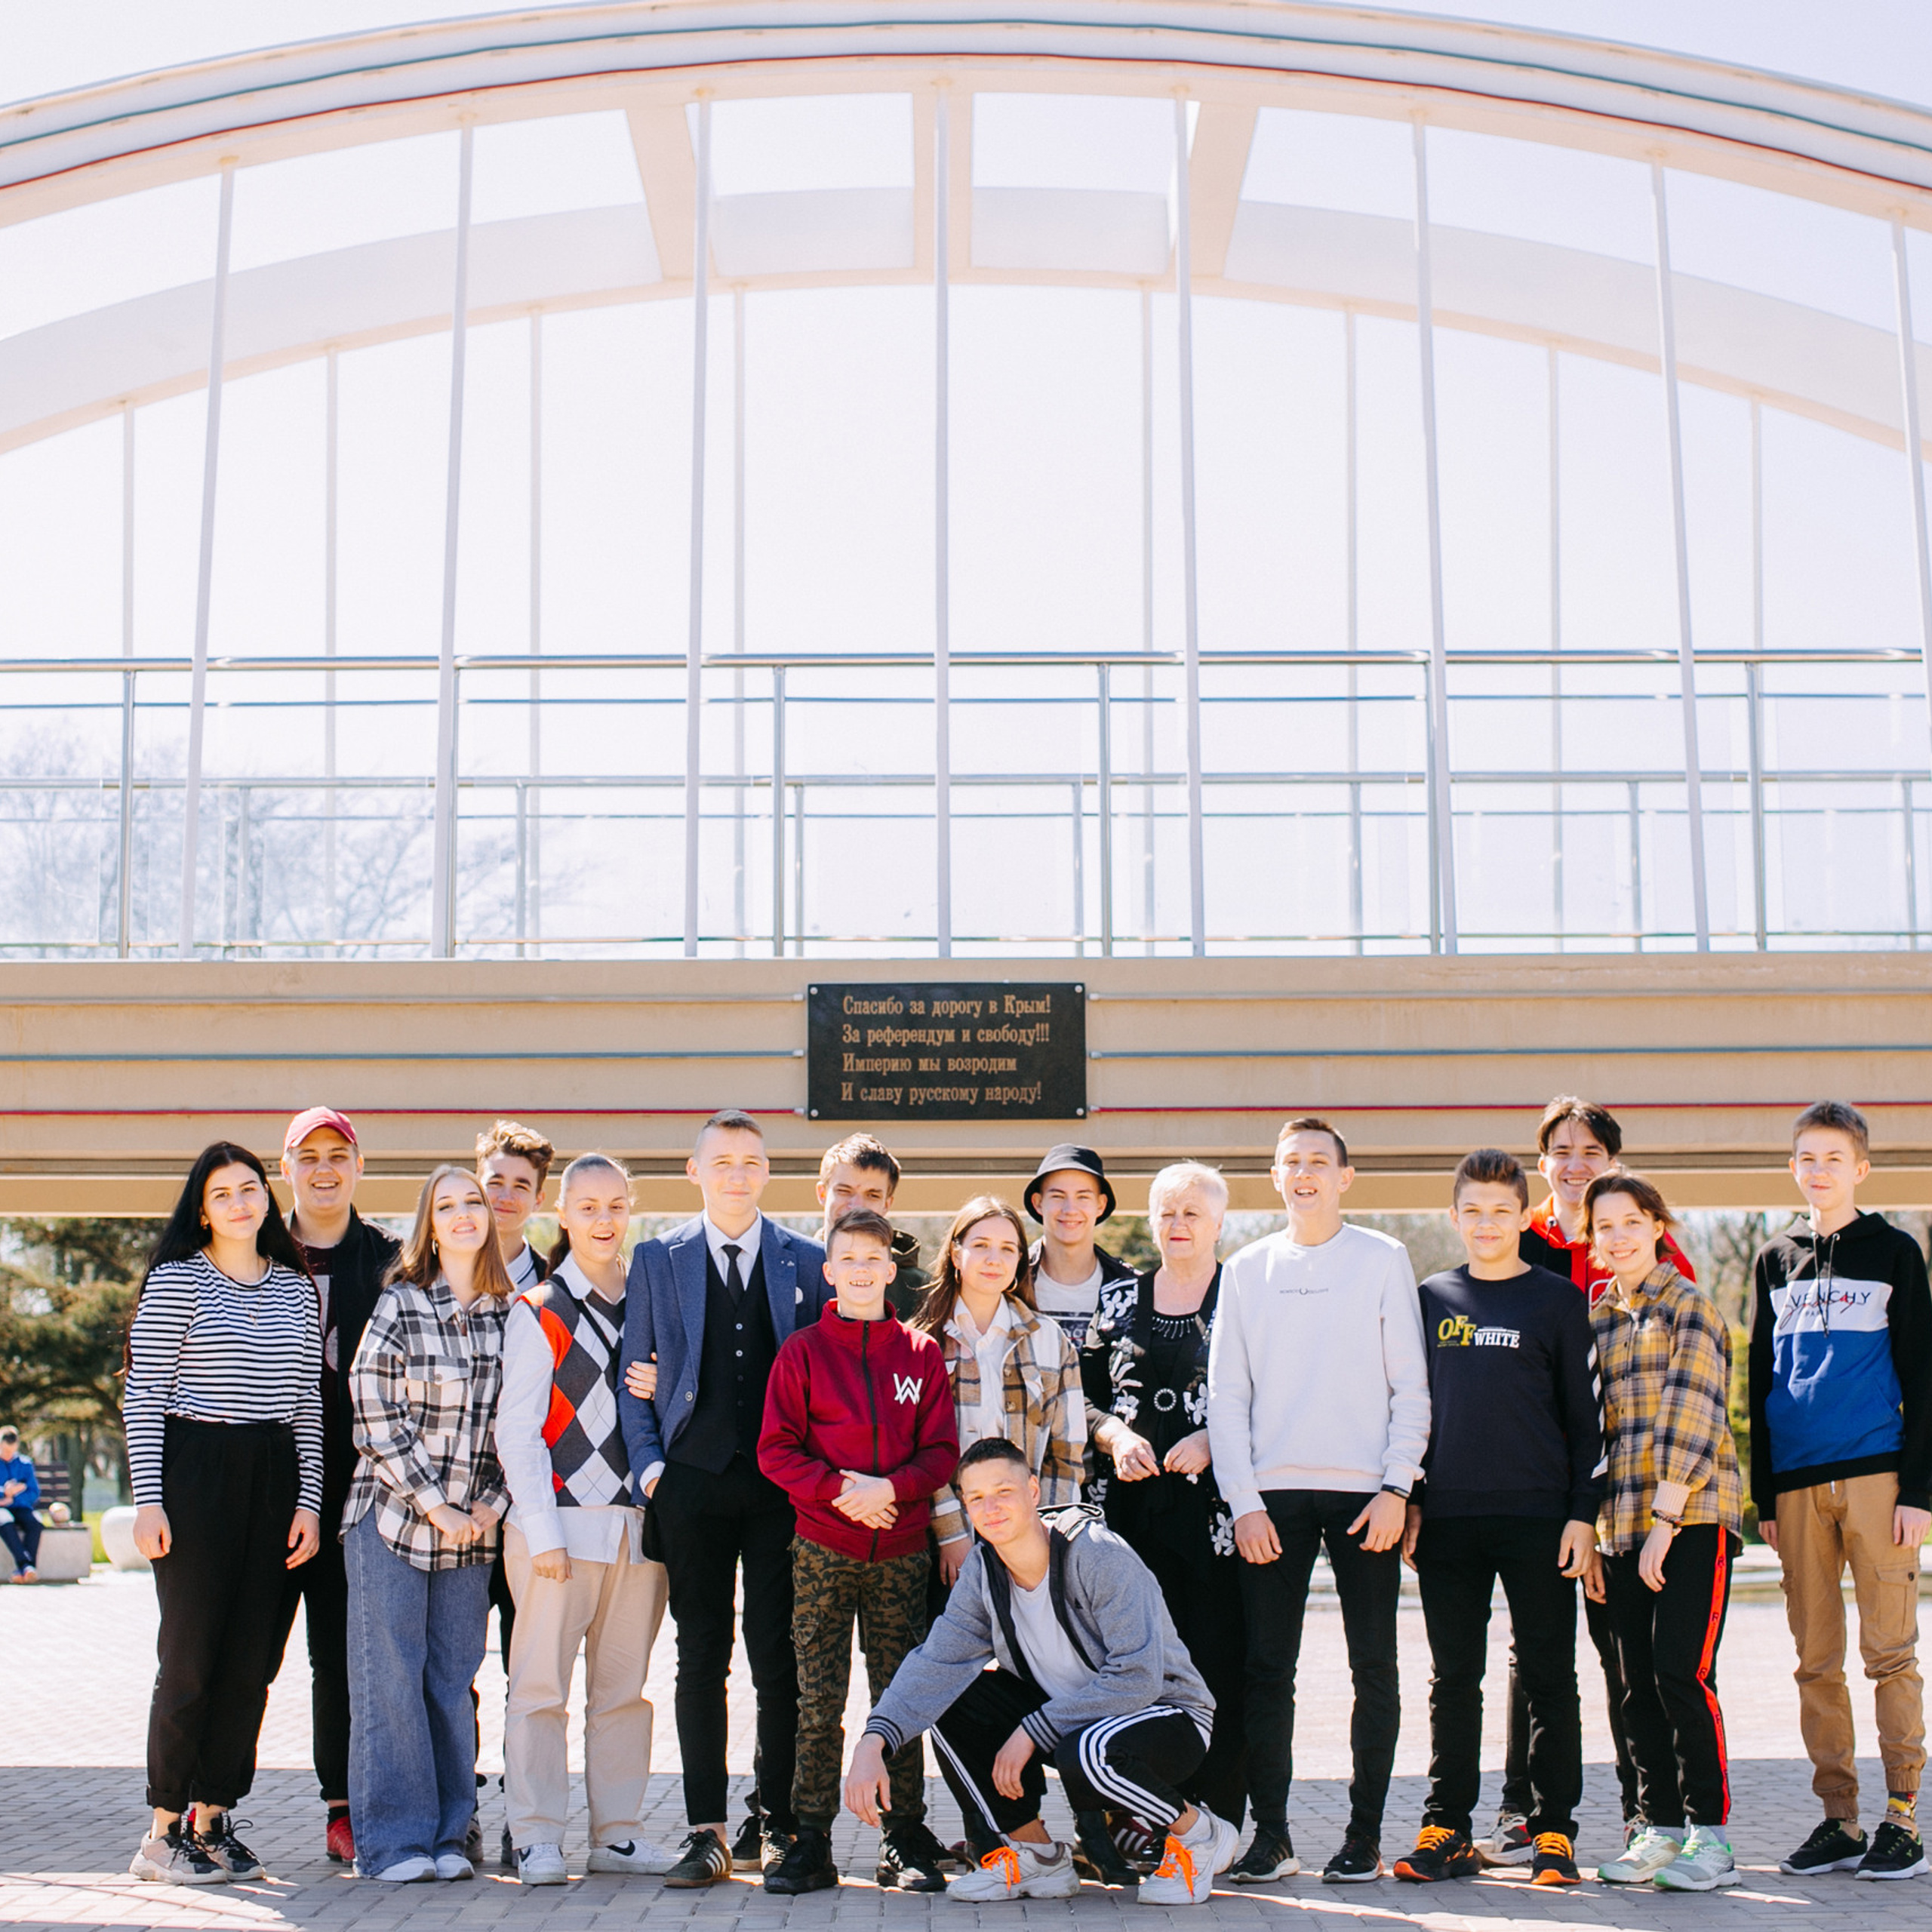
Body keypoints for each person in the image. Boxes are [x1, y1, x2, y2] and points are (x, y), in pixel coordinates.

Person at [845, 1437, 1233, 1906]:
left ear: (1033, 1490)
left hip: (1166, 1717)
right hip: (1073, 1725)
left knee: (1088, 1751)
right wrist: (873, 1741)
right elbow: (938, 1663)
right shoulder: (984, 1570)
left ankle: (1199, 1835)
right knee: (953, 1703)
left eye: (1003, 1491)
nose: (991, 1508)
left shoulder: (1097, 1554)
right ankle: (1037, 1856)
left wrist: (1034, 1729)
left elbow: (1137, 1676)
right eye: (976, 1498)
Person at [1206, 1116, 1429, 1885]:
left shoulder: (1382, 1257)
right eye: (1290, 1162)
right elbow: (1226, 1396)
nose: (1303, 1173)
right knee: (1267, 1670)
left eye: (1317, 1161)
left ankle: (1363, 1837)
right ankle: (1271, 1835)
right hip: (1271, 1499)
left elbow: (1411, 1386)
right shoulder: (1246, 1268)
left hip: (1365, 1496)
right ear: (1275, 1177)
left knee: (1375, 1667)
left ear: (1344, 1176)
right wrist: (1243, 1500)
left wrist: (1397, 1485)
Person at [619, 1110, 831, 1886]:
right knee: (700, 1656)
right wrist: (652, 1471)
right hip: (691, 1484)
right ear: (695, 1170)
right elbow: (633, 1374)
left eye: (750, 1162)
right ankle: (705, 1829)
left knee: (778, 1658)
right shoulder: (656, 1258)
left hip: (780, 1490)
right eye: (722, 1161)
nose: (737, 1175)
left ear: (767, 1171)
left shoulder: (807, 1259)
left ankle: (776, 1824)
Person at [1491, 1094, 1693, 1860]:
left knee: (1625, 1654)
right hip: (1540, 1475)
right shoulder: (1519, 1239)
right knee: (1535, 1649)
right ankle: (1522, 1807)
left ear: (1612, 1161)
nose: (1576, 1165)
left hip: (1626, 1483)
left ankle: (1646, 1810)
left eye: (1592, 1153)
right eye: (1562, 1151)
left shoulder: (1645, 1246)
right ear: (1542, 1161)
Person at [1392, 1149, 1601, 1891]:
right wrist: (1411, 1500)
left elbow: (1587, 1422)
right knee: (1453, 1678)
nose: (1487, 1224)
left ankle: (1552, 1829)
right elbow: (1408, 1410)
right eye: (1474, 1211)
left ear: (1523, 1217)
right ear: (1454, 1217)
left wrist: (1582, 1515)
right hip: (1448, 1519)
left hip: (1538, 1515)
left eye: (1501, 1211)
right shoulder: (1429, 1299)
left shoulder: (1557, 1301)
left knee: (1548, 1677)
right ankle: (1445, 1824)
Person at [125, 1143, 321, 1886]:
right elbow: (145, 1394)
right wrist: (149, 1498)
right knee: (190, 1660)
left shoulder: (295, 1288)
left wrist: (307, 1501)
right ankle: (162, 1832)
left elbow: (307, 1404)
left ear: (267, 1197)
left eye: (249, 1188)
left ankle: (213, 1821)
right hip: (195, 1473)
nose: (240, 1203)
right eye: (222, 1194)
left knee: (250, 1666)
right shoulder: (178, 1279)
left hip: (273, 1475)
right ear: (202, 1210)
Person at [1751, 1100, 1932, 1881]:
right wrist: (1765, 1497)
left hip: (1877, 1475)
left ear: (1860, 1168)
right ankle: (1840, 1819)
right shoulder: (1772, 1258)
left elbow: (1922, 1372)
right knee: (1815, 1661)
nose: (1818, 1169)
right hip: (1796, 1489)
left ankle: (1902, 1818)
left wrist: (1918, 1489)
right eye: (1806, 1157)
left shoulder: (1894, 1251)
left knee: (1889, 1654)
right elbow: (1759, 1376)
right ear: (1792, 1167)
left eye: (1833, 1157)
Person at [755, 1207, 960, 1895]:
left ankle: (902, 1836)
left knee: (898, 1696)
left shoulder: (920, 1354)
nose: (862, 1270)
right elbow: (776, 1451)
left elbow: (940, 1451)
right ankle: (811, 1838)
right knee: (819, 1699)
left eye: (874, 1258)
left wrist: (891, 1490)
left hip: (901, 1552)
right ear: (830, 1271)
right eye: (849, 1259)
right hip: (823, 1548)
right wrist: (845, 1491)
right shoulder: (804, 1352)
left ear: (890, 1268)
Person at [497, 1153, 677, 1885]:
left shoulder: (653, 1304)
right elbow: (516, 1431)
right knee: (540, 1690)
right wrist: (541, 1532)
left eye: (616, 1205)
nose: (604, 1220)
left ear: (630, 1209)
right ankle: (537, 1835)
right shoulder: (537, 1308)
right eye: (588, 1207)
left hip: (637, 1530)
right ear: (562, 1215)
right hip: (557, 1532)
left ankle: (619, 1834)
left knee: (623, 1695)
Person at [343, 1167, 513, 1882]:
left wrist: (490, 1505)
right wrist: (435, 1503)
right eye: (447, 1206)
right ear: (431, 1225)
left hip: (472, 1532)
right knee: (391, 1681)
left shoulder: (513, 1314)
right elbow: (372, 1407)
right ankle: (394, 1845)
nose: (463, 1214)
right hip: (391, 1520)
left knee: (451, 1682)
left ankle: (448, 1836)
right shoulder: (402, 1302)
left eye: (473, 1201)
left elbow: (524, 1422)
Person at [1083, 1161, 1247, 1866]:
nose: (1178, 1225)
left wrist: (1216, 1439)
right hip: (1130, 1516)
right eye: (1167, 1212)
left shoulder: (1245, 1295)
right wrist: (1114, 1436)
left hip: (1214, 1521)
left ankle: (1218, 1821)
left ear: (1218, 1223)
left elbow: (1272, 1392)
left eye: (1192, 1213)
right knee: (1134, 1665)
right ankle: (1140, 1816)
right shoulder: (1118, 1299)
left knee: (1215, 1663)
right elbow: (1082, 1398)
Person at [1587, 1171, 1744, 1892]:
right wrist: (1596, 1532)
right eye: (1604, 1227)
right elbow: (1593, 1433)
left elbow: (1694, 1411)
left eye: (1630, 1222)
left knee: (1681, 1672)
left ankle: (1711, 1838)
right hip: (1619, 1526)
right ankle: (1660, 1831)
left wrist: (1666, 1521)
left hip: (1691, 1518)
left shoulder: (1689, 1306)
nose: (1617, 1237)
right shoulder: (1597, 1317)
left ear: (1656, 1226)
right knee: (1634, 1685)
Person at [268, 1106, 400, 1868]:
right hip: (263, 1484)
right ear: (285, 1167)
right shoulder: (250, 1249)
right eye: (308, 1155)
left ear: (358, 1166)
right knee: (246, 1652)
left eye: (337, 1155)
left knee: (342, 1655)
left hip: (358, 1491)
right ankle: (207, 1805)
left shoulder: (389, 1259)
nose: (324, 1169)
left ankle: (343, 1805)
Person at [913, 1196, 1085, 1596]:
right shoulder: (923, 1343)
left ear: (1020, 1261)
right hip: (946, 1545)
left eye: (1008, 1249)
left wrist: (1045, 1534)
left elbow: (1067, 1454)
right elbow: (918, 1449)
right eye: (981, 1245)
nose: (994, 1259)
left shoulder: (1049, 1340)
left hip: (1029, 1539)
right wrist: (951, 1534)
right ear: (956, 1254)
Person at [474, 1118, 555, 1869]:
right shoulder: (440, 1268)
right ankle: (455, 1804)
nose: (504, 1195)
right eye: (494, 1180)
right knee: (453, 1668)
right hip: (458, 1509)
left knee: (524, 1668)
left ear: (538, 1198)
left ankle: (519, 1815)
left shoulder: (558, 1283)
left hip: (529, 1509)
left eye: (519, 1185)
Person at [1023, 1145, 1135, 1352]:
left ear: (1101, 1205)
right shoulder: (1011, 1281)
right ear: (1038, 1203)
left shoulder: (1132, 1287)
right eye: (1058, 1196)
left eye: (1083, 1197)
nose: (1070, 1210)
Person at [817, 1133, 929, 1317]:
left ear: (887, 1204)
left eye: (872, 1195)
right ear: (822, 1194)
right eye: (844, 1191)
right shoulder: (789, 1272)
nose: (857, 1206)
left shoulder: (922, 1290)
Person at [0, 1426, 42, 1583]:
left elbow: (33, 1492)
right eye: (5, 1451)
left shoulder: (25, 1464)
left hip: (20, 1507)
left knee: (35, 1524)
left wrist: (13, 1499)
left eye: (11, 1451)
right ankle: (27, 1567)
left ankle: (24, 1569)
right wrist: (5, 1492)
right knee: (5, 1521)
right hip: (2, 1509)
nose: (8, 1455)